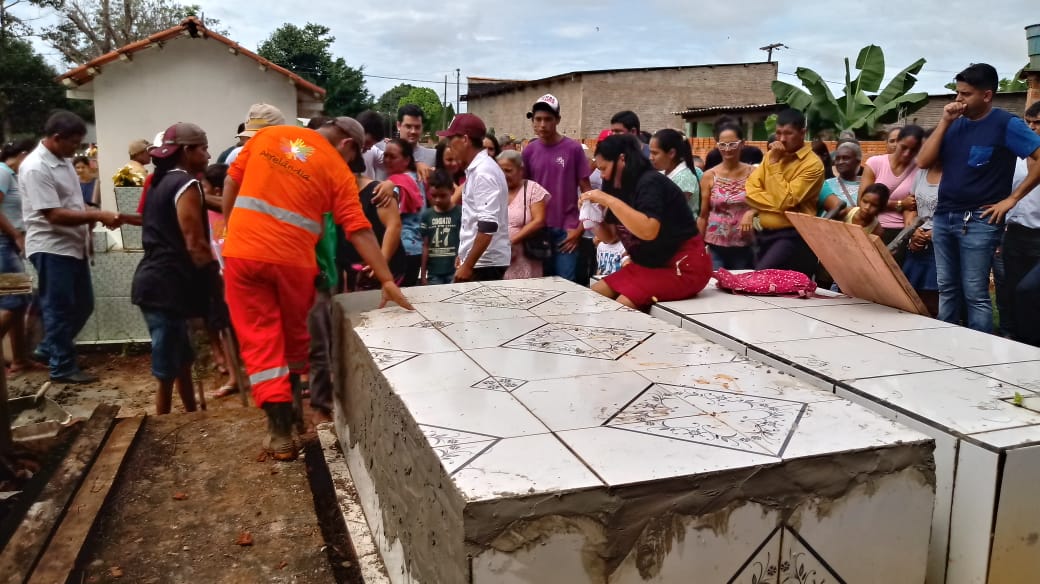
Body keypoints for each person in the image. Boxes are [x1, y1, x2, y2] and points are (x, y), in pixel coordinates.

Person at [221, 116, 412, 459]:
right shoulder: (337, 170)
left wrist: (230, 229)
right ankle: (290, 419)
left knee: (260, 337)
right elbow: (359, 230)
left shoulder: (267, 136)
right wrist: (385, 279)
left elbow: (231, 183)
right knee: (294, 338)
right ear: (347, 145)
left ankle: (280, 429)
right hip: (295, 265)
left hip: (244, 254)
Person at [916, 63, 1040, 332]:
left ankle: (978, 357)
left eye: (966, 94)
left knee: (975, 293)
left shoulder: (1006, 124)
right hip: (945, 215)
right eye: (958, 93)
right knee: (947, 288)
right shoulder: (954, 125)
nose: (959, 100)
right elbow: (923, 160)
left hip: (979, 221)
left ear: (987, 95)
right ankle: (945, 346)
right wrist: (945, 121)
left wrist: (1012, 199)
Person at [21, 111, 121, 383]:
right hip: (51, 246)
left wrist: (88, 212)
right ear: (56, 138)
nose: (76, 150)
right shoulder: (35, 167)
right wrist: (96, 215)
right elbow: (53, 214)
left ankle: (50, 348)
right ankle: (61, 366)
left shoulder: (61, 159)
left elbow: (71, 202)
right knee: (59, 306)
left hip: (72, 245)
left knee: (83, 304)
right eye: (73, 143)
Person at [130, 123, 214, 414]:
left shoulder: (158, 181)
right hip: (166, 283)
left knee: (183, 357)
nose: (208, 154)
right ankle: (159, 422)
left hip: (158, 279)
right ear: (187, 151)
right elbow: (194, 242)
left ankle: (191, 412)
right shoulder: (185, 184)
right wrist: (212, 280)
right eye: (203, 148)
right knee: (166, 364)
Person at [580, 134, 711, 309]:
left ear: (621, 159)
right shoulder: (614, 184)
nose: (602, 176)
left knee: (623, 305)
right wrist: (591, 218)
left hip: (683, 266)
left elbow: (649, 230)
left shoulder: (650, 182)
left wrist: (608, 200)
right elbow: (610, 237)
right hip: (649, 264)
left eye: (604, 169)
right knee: (594, 294)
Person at [744, 108, 823, 277]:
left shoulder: (812, 165)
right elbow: (750, 191)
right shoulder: (771, 155)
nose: (781, 139)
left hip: (792, 236)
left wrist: (774, 165)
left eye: (788, 133)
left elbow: (786, 200)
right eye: (778, 133)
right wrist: (779, 205)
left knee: (760, 279)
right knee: (763, 289)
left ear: (803, 132)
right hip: (762, 233)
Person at [522, 94, 591, 283]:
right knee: (540, 285)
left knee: (565, 286)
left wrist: (580, 229)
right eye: (538, 119)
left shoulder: (573, 149)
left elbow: (588, 192)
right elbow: (523, 190)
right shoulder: (529, 150)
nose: (542, 124)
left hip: (566, 230)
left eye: (548, 119)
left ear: (558, 120)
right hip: (537, 229)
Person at [435, 114, 510, 282]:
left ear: (465, 140)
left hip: (485, 263)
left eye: (451, 139)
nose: (449, 145)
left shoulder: (483, 172)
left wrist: (468, 264)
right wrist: (464, 253)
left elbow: (488, 224)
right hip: (481, 261)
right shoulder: (479, 169)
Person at [1002, 101, 1040, 345]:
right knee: (1010, 289)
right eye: (1029, 122)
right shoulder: (1015, 156)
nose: (1033, 128)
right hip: (1014, 232)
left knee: (1030, 289)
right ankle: (1013, 338)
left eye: (1038, 123)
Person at [860, 125, 924, 261]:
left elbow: (912, 207)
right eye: (904, 147)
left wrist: (909, 231)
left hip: (900, 233)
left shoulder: (919, 169)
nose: (907, 153)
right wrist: (900, 204)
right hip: (872, 227)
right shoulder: (875, 163)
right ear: (897, 142)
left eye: (913, 150)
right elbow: (863, 200)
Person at [0, 139, 36, 375]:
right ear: (23, 155)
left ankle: (20, 360)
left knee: (20, 301)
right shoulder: (2, 172)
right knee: (13, 301)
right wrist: (15, 235)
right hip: (4, 243)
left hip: (10, 244)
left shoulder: (11, 175)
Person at [698, 124, 755, 270]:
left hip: (744, 243)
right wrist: (697, 245)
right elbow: (703, 214)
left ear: (742, 144)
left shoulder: (754, 174)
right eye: (723, 144)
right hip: (714, 243)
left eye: (732, 144)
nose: (727, 149)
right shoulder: (709, 176)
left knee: (740, 286)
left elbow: (766, 203)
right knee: (715, 285)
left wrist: (751, 212)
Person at [902, 131, 942, 317]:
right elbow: (911, 206)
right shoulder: (921, 173)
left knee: (935, 303)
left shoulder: (956, 175)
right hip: (917, 244)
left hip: (941, 246)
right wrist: (914, 231)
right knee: (912, 301)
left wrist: (933, 235)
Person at [498, 150, 550, 279]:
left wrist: (511, 242)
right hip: (498, 255)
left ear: (521, 170)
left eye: (508, 171)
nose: (504, 175)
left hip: (526, 255)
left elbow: (539, 220)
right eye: (500, 171)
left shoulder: (533, 189)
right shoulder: (494, 190)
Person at [382, 138, 425, 286]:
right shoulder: (418, 178)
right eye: (385, 156)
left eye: (392, 157)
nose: (387, 160)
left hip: (400, 250)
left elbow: (388, 219)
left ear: (406, 160)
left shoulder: (394, 185)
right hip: (417, 248)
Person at [420, 170, 461, 285]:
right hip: (434, 272)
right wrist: (423, 274)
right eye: (434, 196)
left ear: (452, 191)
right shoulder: (427, 215)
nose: (437, 199)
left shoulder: (460, 213)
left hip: (454, 270)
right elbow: (425, 246)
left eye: (442, 196)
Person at [650, 129, 701, 216]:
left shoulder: (685, 177)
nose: (650, 157)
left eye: (655, 153)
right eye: (650, 152)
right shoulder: (662, 173)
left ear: (671, 153)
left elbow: (672, 210)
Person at [825, 142, 862, 208]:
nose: (840, 162)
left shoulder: (868, 185)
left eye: (845, 158)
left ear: (858, 161)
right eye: (837, 158)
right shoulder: (826, 184)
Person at [356, 110, 388, 180]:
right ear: (358, 131)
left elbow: (394, 161)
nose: (369, 147)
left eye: (373, 144)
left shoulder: (372, 150)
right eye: (367, 142)